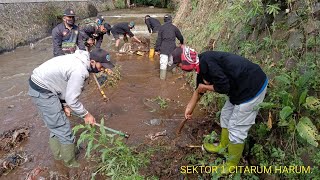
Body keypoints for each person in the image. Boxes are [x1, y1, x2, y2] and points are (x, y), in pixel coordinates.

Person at [172, 46, 268, 174]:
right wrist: (189, 109)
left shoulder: (208, 63)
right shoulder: (201, 66)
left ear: (185, 60)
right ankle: (223, 146)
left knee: (236, 127)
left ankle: (232, 164)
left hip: (251, 88)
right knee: (225, 115)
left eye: (179, 65)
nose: (180, 68)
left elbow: (224, 87)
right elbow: (199, 91)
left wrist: (205, 86)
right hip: (238, 89)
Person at [28, 49, 114, 168]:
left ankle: (59, 158)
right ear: (93, 61)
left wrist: (64, 105)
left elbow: (63, 84)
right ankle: (70, 163)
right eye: (102, 66)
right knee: (63, 129)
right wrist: (86, 114)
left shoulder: (81, 59)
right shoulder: (80, 70)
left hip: (45, 85)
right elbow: (72, 100)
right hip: (43, 90)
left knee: (56, 126)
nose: (103, 69)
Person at [155, 14, 184, 80]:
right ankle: (173, 77)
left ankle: (162, 80)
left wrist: (157, 50)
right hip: (172, 48)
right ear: (171, 20)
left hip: (163, 48)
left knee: (163, 64)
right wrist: (182, 43)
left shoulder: (161, 28)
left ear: (164, 20)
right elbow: (180, 37)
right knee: (173, 62)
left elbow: (159, 39)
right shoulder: (174, 28)